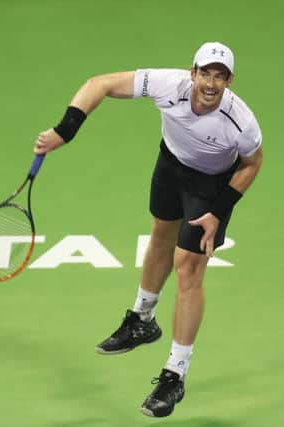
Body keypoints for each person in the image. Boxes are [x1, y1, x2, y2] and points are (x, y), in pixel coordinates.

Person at [33, 42, 263, 418]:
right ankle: (142, 320)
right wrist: (65, 131)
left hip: (211, 187)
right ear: (193, 72)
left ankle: (175, 374)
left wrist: (219, 211)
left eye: (219, 77)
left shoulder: (241, 121)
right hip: (171, 164)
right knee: (160, 235)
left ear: (229, 81)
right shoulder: (167, 85)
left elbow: (253, 162)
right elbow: (99, 84)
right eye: (205, 73)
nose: (210, 83)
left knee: (188, 269)